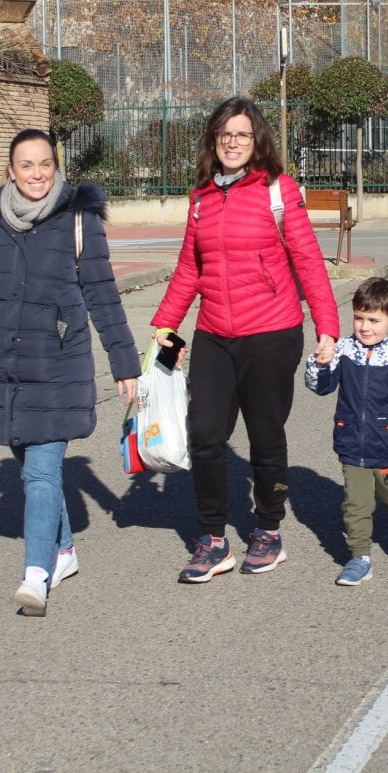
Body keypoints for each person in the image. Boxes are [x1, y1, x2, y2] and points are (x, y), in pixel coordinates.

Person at [0, 128, 141, 617]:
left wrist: (124, 362)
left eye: (45, 164)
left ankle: (35, 576)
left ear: (56, 166)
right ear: (10, 170)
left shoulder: (79, 219)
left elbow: (103, 295)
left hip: (58, 363)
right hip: (4, 363)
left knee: (42, 470)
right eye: (26, 165)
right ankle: (63, 552)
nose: (37, 174)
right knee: (30, 467)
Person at [151, 97, 339, 584]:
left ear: (257, 142)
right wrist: (164, 325)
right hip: (214, 332)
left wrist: (327, 327)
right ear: (214, 142)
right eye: (224, 135)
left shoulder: (279, 191)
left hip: (271, 333)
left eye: (242, 135)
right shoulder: (200, 200)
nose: (233, 143)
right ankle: (213, 539)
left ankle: (268, 529)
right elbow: (190, 269)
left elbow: (309, 262)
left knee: (265, 437)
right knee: (206, 436)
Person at [304, 277, 388, 586]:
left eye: (374, 319)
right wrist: (320, 364)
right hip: (350, 440)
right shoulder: (345, 350)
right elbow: (321, 388)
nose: (365, 326)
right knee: (356, 503)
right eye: (358, 318)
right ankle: (360, 557)